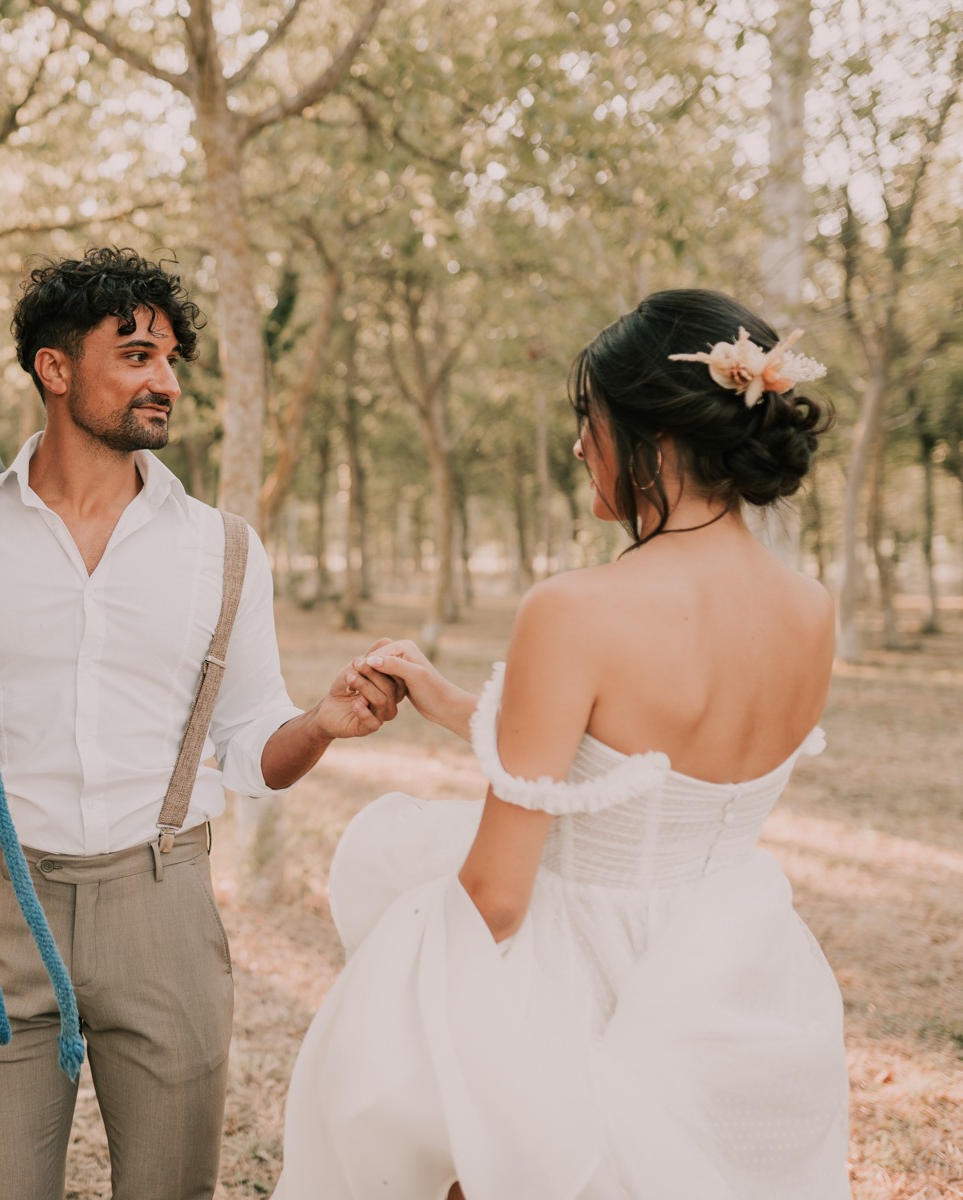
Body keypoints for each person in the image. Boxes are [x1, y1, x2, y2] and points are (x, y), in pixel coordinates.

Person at [274, 289, 849, 1200]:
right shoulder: (810, 609)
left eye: (590, 420)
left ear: (650, 437)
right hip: (737, 982)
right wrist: (458, 705)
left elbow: (497, 898)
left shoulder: (576, 609)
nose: (579, 445)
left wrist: (393, 989)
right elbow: (642, 772)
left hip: (581, 984)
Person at [0, 247, 401, 1200]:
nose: (167, 382)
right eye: (138, 355)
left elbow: (253, 751)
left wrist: (319, 723)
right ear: (54, 369)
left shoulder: (221, 551)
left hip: (164, 912)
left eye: (171, 360)